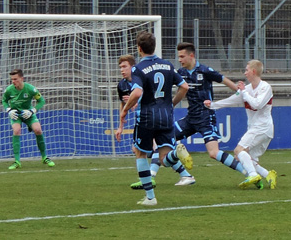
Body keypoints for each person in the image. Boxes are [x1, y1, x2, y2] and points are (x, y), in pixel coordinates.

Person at [115, 31, 192, 206]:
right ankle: (176, 153)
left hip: (147, 117)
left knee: (139, 152)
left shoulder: (138, 69)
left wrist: (124, 110)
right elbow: (184, 87)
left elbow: (137, 92)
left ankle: (150, 197)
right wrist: (171, 103)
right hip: (166, 116)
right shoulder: (167, 65)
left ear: (139, 49)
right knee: (165, 159)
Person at [165, 42, 248, 184]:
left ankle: (247, 172)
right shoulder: (181, 73)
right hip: (190, 118)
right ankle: (186, 176)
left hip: (206, 118)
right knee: (165, 139)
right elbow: (175, 89)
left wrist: (238, 91)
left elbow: (223, 80)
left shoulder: (204, 71)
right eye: (178, 57)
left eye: (182, 56)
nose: (179, 60)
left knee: (213, 153)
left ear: (191, 56)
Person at [205, 59, 277, 189]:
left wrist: (244, 92)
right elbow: (231, 100)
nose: (245, 73)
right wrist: (213, 105)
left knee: (238, 151)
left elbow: (257, 104)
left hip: (262, 128)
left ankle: (253, 175)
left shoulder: (265, 87)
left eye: (247, 70)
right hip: (257, 129)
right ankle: (268, 175)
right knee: (247, 159)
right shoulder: (247, 89)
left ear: (253, 71)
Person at [2, 69, 55, 169]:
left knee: (38, 130)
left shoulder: (30, 89)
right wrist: (8, 110)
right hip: (16, 114)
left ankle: (45, 157)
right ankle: (17, 161)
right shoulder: (9, 90)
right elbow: (4, 100)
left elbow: (41, 101)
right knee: (16, 130)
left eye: (15, 79)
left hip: (28, 113)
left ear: (22, 79)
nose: (13, 81)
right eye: (12, 79)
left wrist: (32, 111)